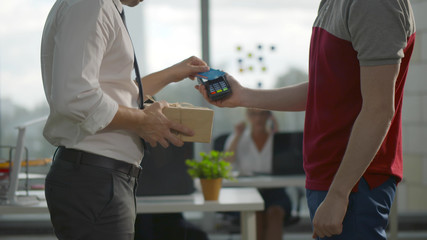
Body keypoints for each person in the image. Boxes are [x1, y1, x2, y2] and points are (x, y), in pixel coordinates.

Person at [197, 1, 416, 239]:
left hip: (353, 183)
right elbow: (324, 91)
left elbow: (379, 109)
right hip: (329, 178)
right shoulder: (331, 4)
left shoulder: (373, 5)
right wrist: (243, 96)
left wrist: (339, 194)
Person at [40, 0, 209, 239]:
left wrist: (172, 74)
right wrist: (142, 120)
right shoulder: (91, 5)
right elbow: (77, 98)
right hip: (96, 181)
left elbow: (113, 96)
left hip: (99, 179)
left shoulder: (101, 6)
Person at [224, 108, 291, 240]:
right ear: (247, 116)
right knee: (255, 215)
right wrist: (237, 136)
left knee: (275, 213)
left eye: (262, 114)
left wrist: (279, 137)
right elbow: (226, 163)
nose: (258, 118)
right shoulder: (238, 137)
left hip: (275, 191)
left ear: (269, 116)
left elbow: (288, 166)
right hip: (247, 191)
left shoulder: (276, 138)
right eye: (253, 114)